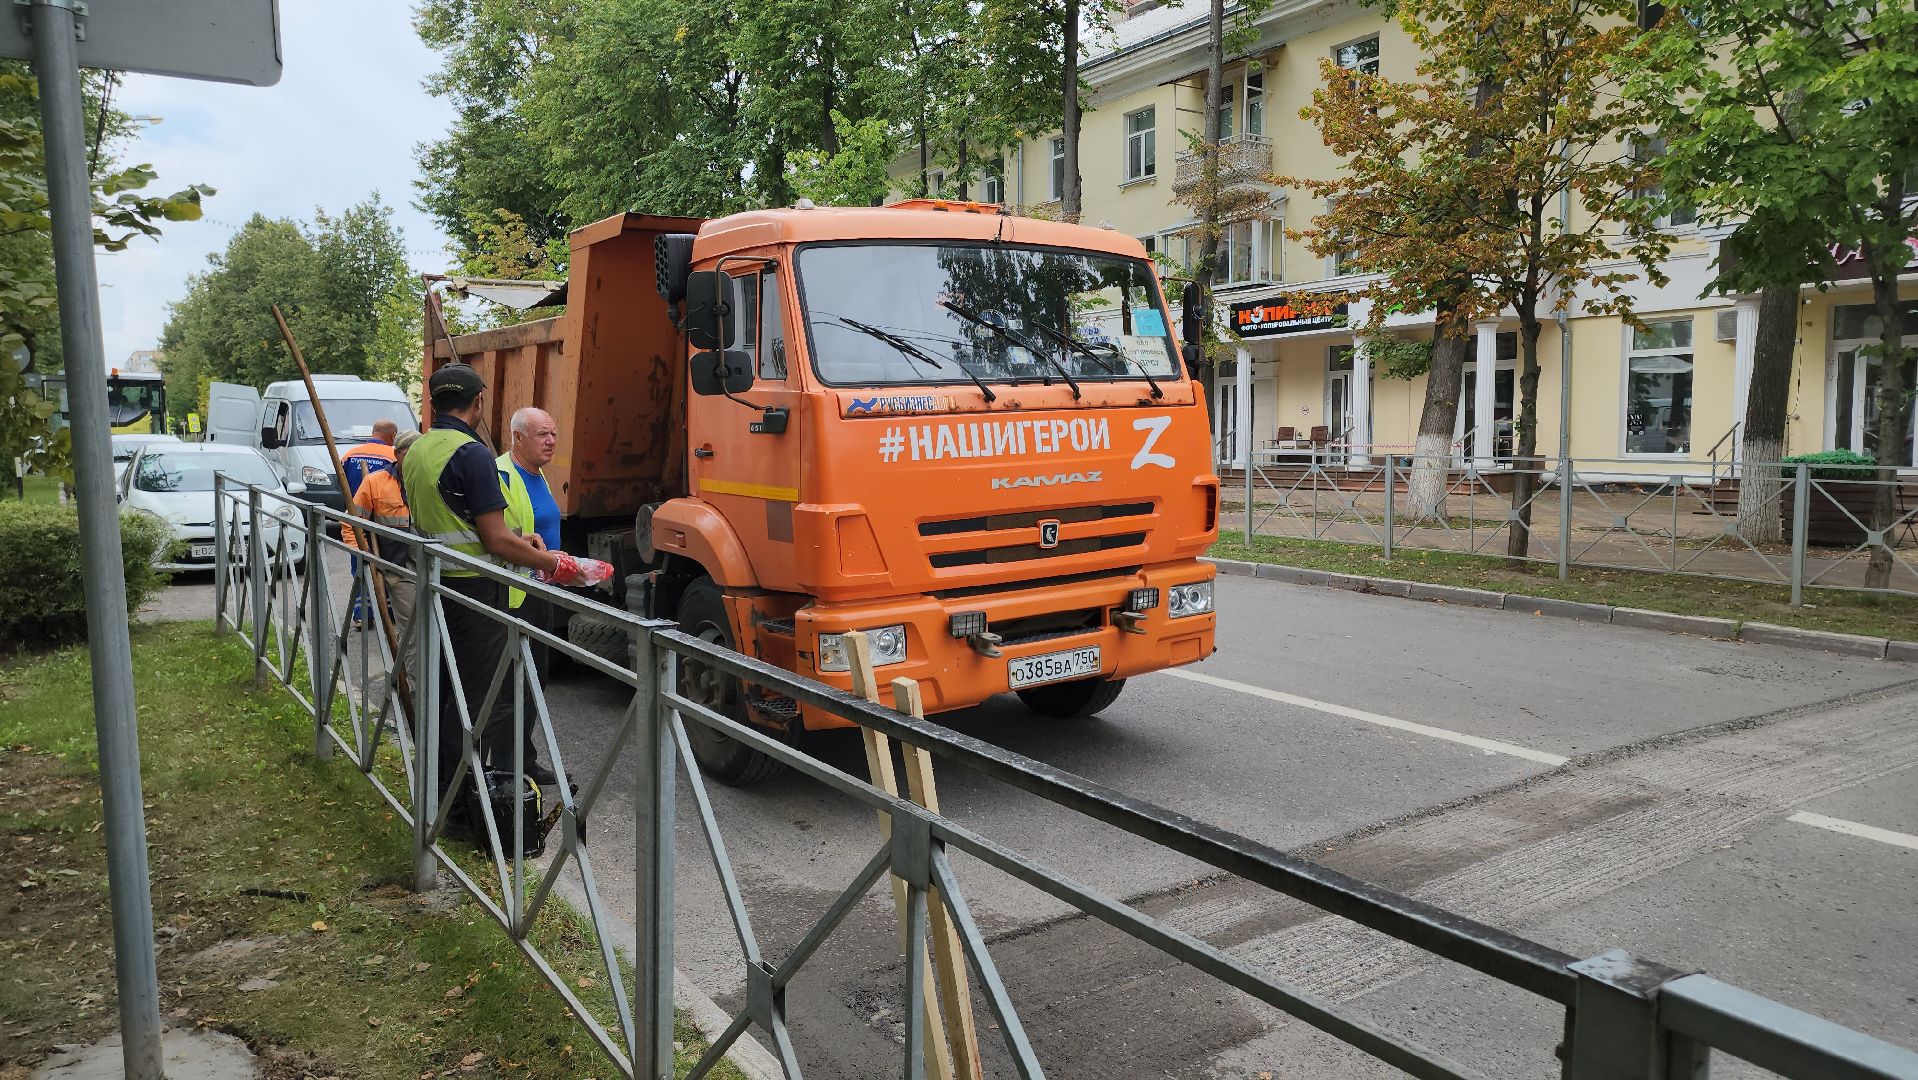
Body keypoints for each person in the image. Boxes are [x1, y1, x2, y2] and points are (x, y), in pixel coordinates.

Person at [401, 366, 602, 803]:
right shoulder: (471, 453)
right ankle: (456, 802)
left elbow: (454, 521)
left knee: (445, 692)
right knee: (474, 702)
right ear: (478, 401)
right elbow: (492, 540)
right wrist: (552, 562)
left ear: (433, 403)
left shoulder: (418, 450)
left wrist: (517, 540)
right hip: (478, 590)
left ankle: (436, 789)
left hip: (438, 585)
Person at [498, 408, 564, 772]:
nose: (551, 441)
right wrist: (539, 554)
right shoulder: (502, 473)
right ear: (518, 437)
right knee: (512, 683)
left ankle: (523, 759)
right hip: (514, 594)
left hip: (540, 589)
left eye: (553, 434)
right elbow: (494, 535)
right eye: (542, 435)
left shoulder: (538, 474)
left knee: (535, 678)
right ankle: (506, 767)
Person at [341, 419, 401, 624]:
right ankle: (388, 614)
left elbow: (342, 486)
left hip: (357, 519)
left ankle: (363, 616)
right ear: (393, 435)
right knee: (386, 569)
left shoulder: (350, 455)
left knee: (360, 568)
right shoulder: (393, 455)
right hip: (384, 522)